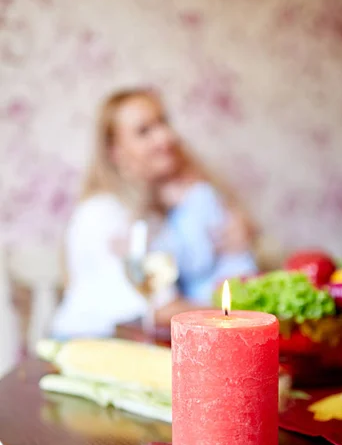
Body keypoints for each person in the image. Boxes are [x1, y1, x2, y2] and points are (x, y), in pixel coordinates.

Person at [52, 89, 258, 338]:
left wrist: (240, 231)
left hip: (133, 343)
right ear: (115, 152)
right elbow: (161, 311)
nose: (166, 137)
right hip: (87, 344)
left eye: (163, 122)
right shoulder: (103, 213)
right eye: (144, 131)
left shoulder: (157, 214)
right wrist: (257, 317)